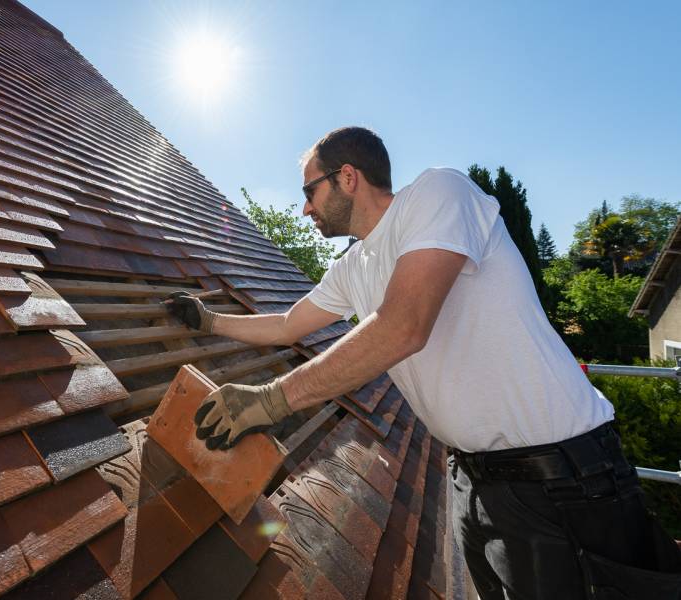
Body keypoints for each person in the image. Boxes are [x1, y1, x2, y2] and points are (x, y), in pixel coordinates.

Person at [165, 126, 681, 599]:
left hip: (564, 479)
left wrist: (270, 400)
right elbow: (286, 325)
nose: (304, 209)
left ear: (348, 177)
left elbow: (403, 325)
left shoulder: (438, 195)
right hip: (474, 481)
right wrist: (209, 321)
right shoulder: (353, 266)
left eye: (309, 192)